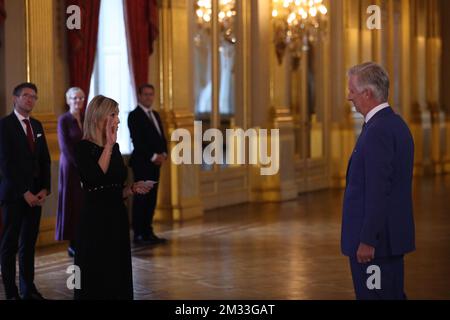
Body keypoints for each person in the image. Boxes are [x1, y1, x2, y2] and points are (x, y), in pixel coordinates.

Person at [341, 62, 415, 300]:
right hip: (386, 242)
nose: (349, 96)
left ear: (367, 93)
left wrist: (367, 240)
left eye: (352, 90)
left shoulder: (378, 131)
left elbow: (378, 191)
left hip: (376, 247)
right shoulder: (394, 124)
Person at [74, 95, 153, 300]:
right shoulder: (82, 148)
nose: (117, 119)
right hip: (94, 220)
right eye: (113, 114)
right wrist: (108, 145)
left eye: (117, 114)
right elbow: (94, 180)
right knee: (95, 273)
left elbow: (114, 188)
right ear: (98, 117)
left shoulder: (116, 148)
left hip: (116, 217)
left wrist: (133, 188)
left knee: (116, 271)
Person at [0, 82, 51, 300]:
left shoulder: (38, 125)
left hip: (35, 196)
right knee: (9, 245)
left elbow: (45, 160)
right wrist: (24, 192)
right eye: (26, 96)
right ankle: (11, 292)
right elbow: (5, 164)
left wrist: (44, 189)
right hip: (14, 196)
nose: (30, 100)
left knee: (28, 245)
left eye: (34, 97)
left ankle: (28, 288)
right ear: (15, 98)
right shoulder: (4, 125)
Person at [128, 84, 168, 245]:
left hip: (156, 164)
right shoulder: (134, 115)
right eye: (145, 94)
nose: (149, 97)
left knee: (152, 199)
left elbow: (161, 137)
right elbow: (138, 141)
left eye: (151, 94)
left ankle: (148, 231)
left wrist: (164, 154)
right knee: (142, 199)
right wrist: (153, 156)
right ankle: (139, 233)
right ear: (139, 96)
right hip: (142, 163)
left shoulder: (155, 115)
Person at [55, 87, 85, 257]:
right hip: (70, 167)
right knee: (71, 202)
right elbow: (65, 147)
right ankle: (72, 243)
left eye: (80, 98)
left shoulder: (85, 118)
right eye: (74, 98)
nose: (78, 101)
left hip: (84, 166)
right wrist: (80, 166)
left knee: (83, 204)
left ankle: (82, 240)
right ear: (68, 100)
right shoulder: (63, 120)